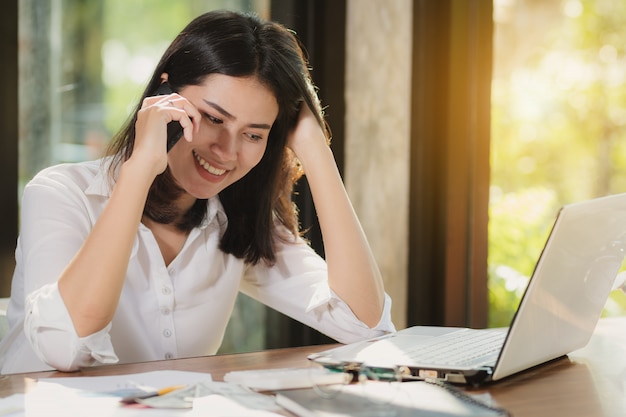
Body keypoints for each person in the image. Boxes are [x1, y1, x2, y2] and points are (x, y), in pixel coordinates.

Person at [0, 9, 394, 374]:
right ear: (164, 94)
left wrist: (314, 147)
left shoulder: (235, 220)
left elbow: (365, 326)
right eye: (212, 118)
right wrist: (139, 170)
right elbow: (64, 350)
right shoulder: (61, 194)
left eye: (253, 134)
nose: (226, 151)